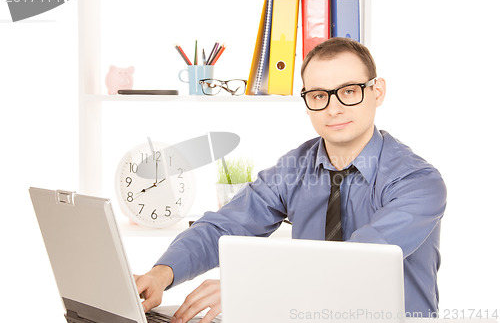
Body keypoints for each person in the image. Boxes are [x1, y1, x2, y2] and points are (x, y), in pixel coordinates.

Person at [134, 37, 447, 322]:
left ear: (376, 92)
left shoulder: (418, 181)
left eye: (349, 92)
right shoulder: (295, 168)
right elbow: (224, 226)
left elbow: (362, 260)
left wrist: (247, 288)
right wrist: (162, 274)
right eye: (318, 95)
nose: (334, 108)